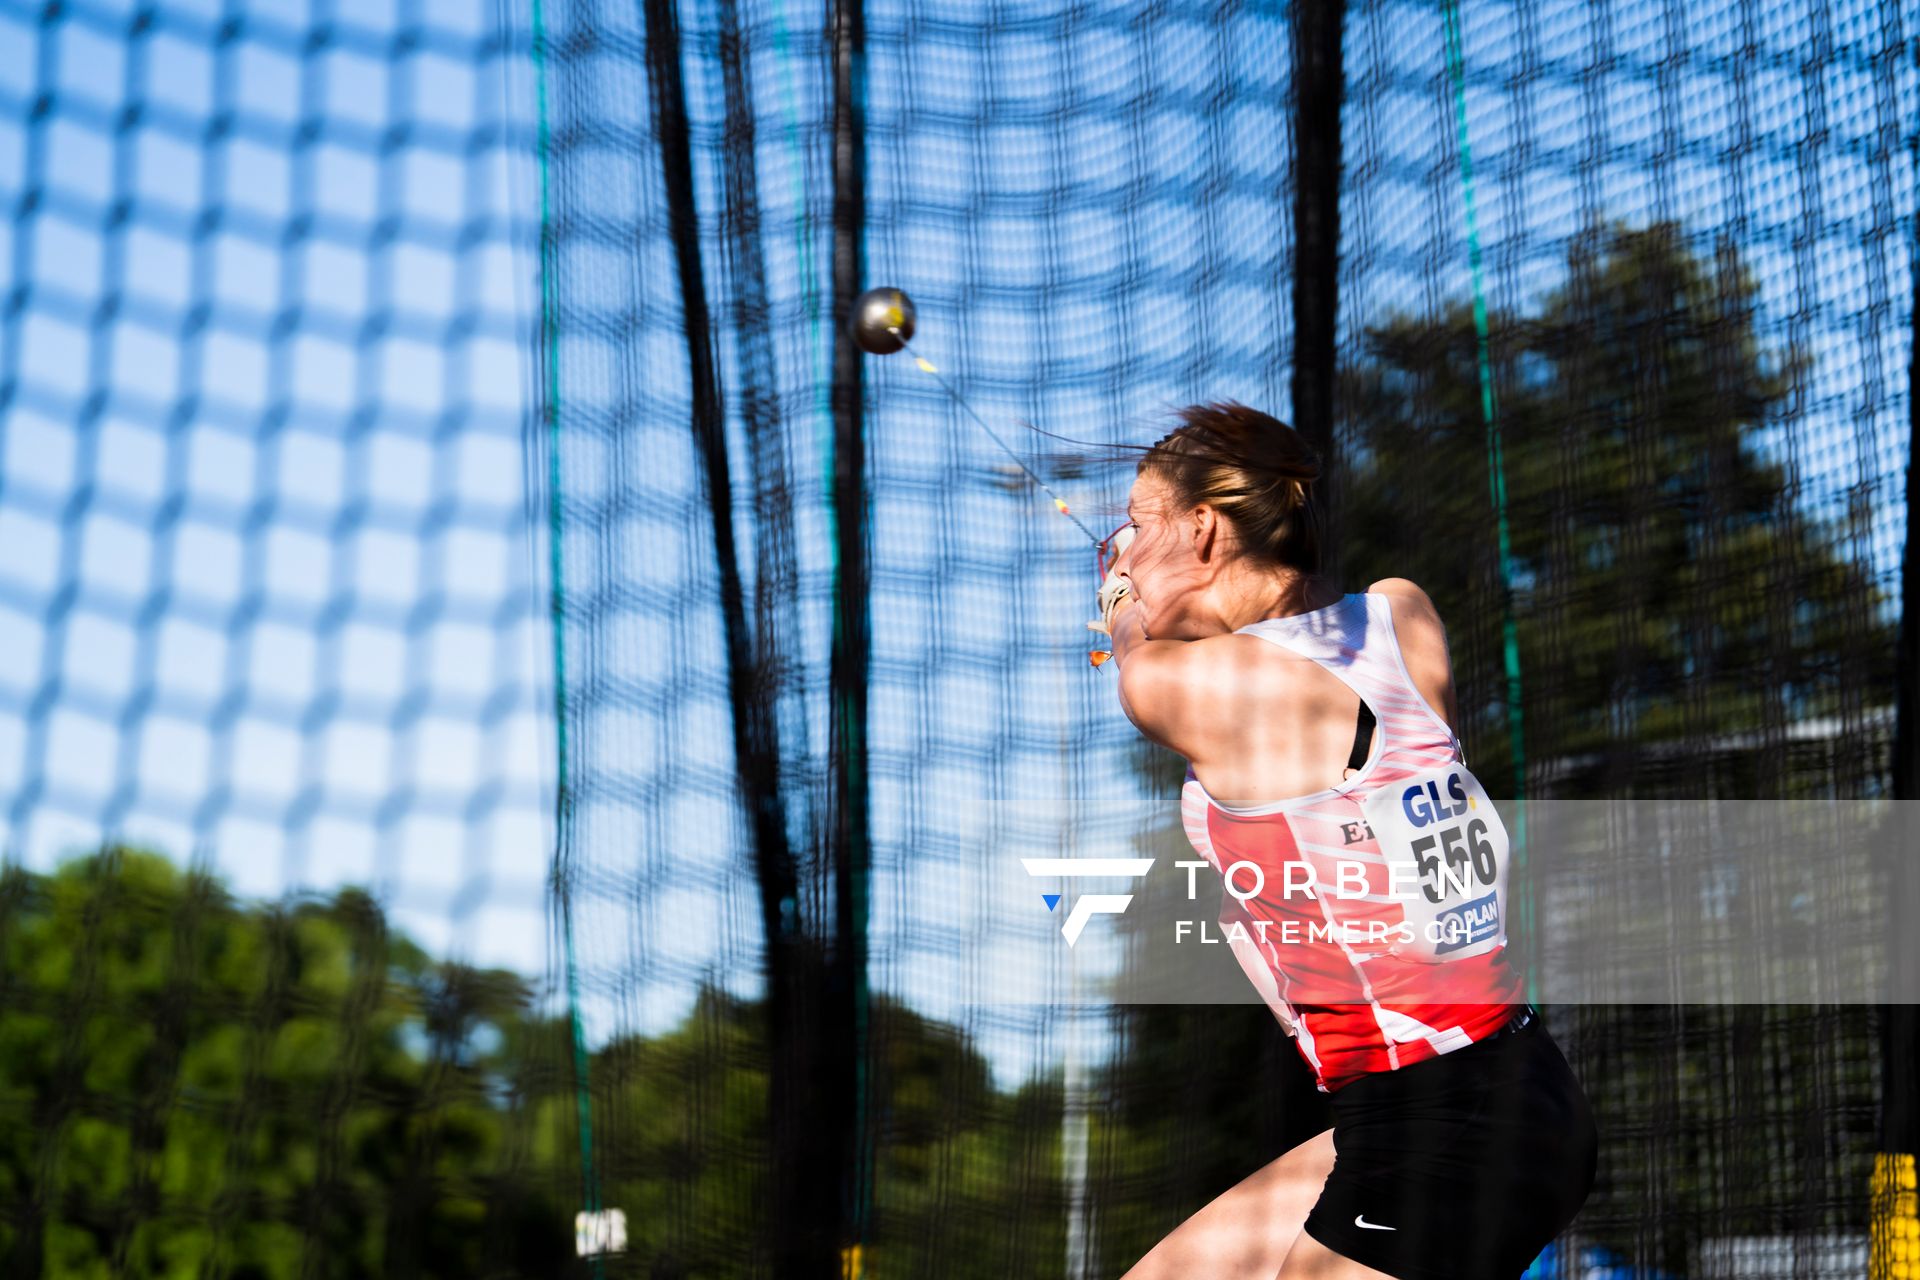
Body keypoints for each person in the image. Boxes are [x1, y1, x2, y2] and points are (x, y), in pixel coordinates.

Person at [1095, 402, 1597, 1280]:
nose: (1124, 551)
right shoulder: (1402, 615)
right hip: (1489, 1092)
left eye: (1137, 527)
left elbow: (1139, 665)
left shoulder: (1208, 688)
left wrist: (1120, 603)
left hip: (1441, 1127)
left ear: (1204, 531)